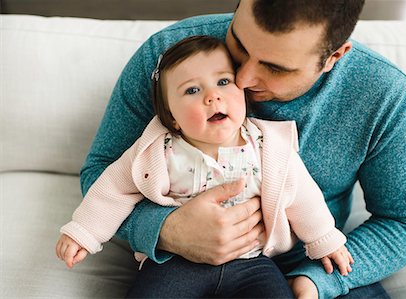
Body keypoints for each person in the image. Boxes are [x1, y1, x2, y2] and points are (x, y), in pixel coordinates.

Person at [78, 0, 406, 298]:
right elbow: (105, 174)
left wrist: (318, 281)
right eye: (239, 44)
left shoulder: (385, 95)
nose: (244, 80)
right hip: (173, 265)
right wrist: (167, 229)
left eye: (274, 68)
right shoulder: (168, 59)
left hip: (305, 265)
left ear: (334, 57)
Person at [56, 35, 354, 298]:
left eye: (223, 82)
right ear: (172, 117)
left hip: (252, 263)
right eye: (191, 91)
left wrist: (324, 239)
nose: (213, 96)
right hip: (176, 261)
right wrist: (84, 231)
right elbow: (114, 187)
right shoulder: (158, 150)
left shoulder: (268, 146)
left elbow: (302, 195)